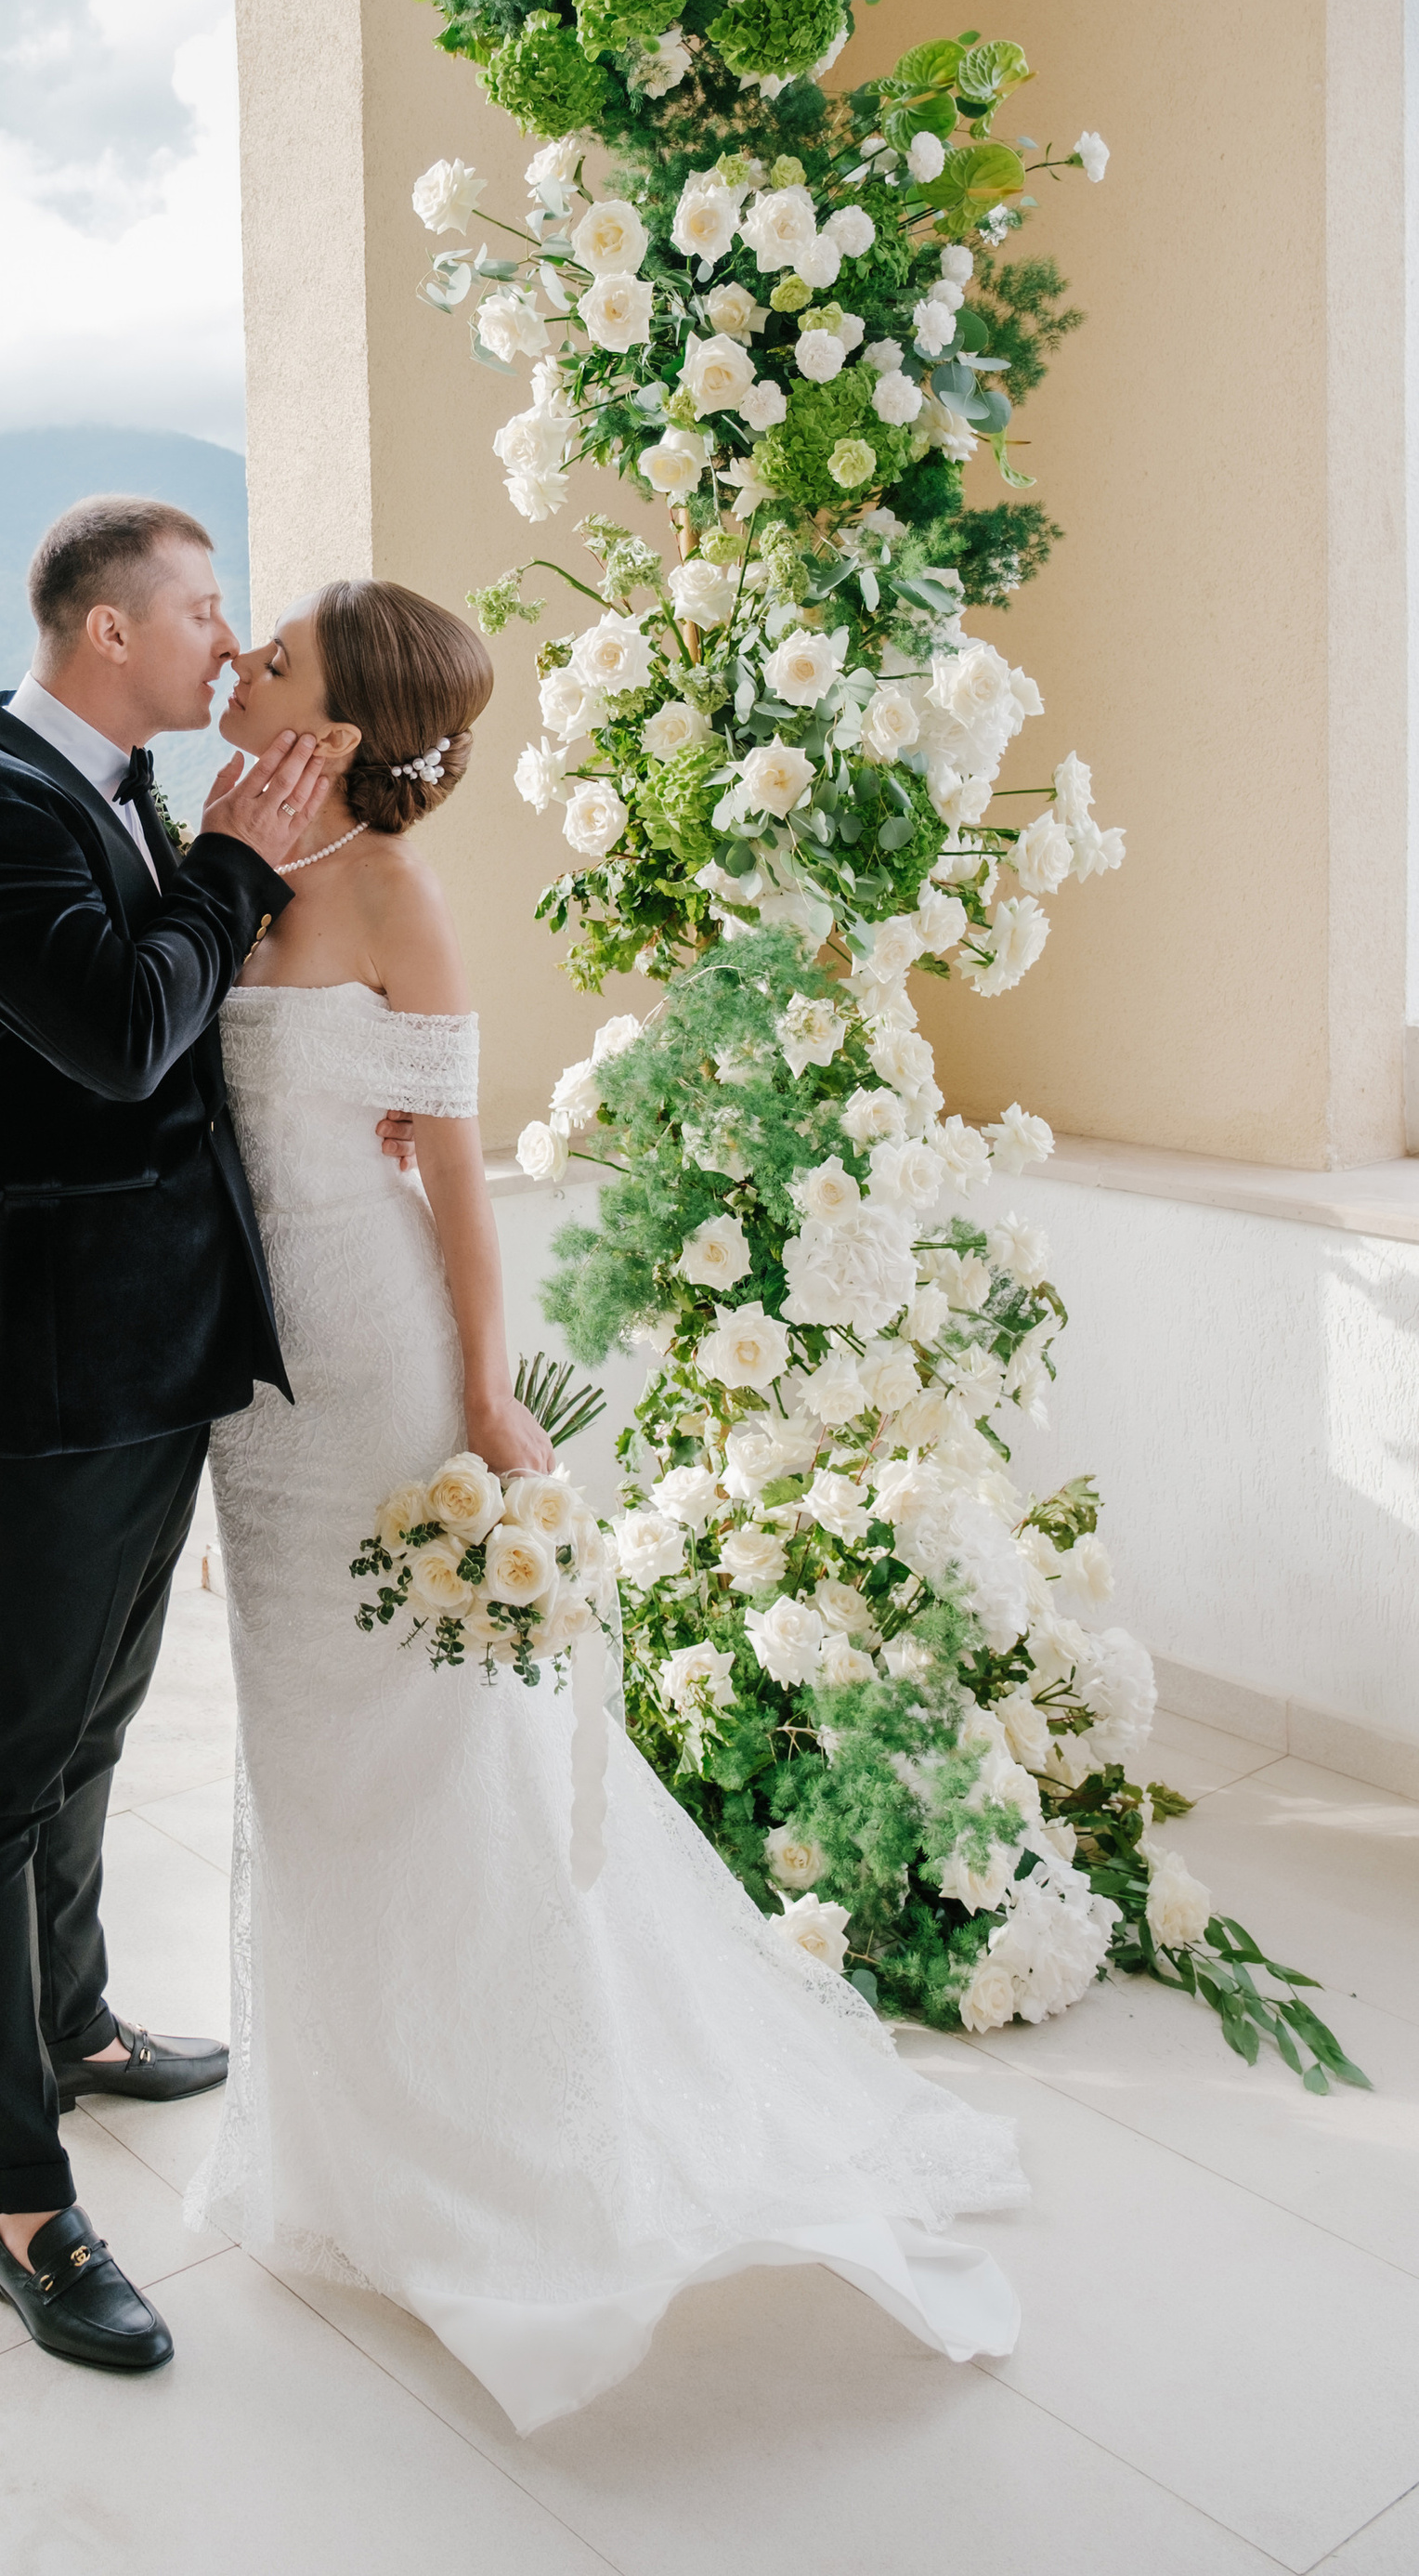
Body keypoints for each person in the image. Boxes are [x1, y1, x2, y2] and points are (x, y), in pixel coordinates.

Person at [192, 575, 1025, 2435]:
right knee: (302, 1745)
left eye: (273, 659)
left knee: (428, 1747)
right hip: (250, 1397)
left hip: (380, 1359)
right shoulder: (216, 854)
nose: (238, 663)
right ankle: (341, 2144)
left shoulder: (395, 898)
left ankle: (503, 2128)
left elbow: (459, 1177)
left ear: (335, 720)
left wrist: (485, 1393)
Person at [0, 493, 330, 2376]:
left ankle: (71, 2024)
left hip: (142, 1357)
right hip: (33, 1375)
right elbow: (130, 1034)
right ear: (110, 633)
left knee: (86, 1733)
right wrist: (233, 862)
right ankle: (16, 2202)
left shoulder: (105, 781)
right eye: (201, 611)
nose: (226, 644)